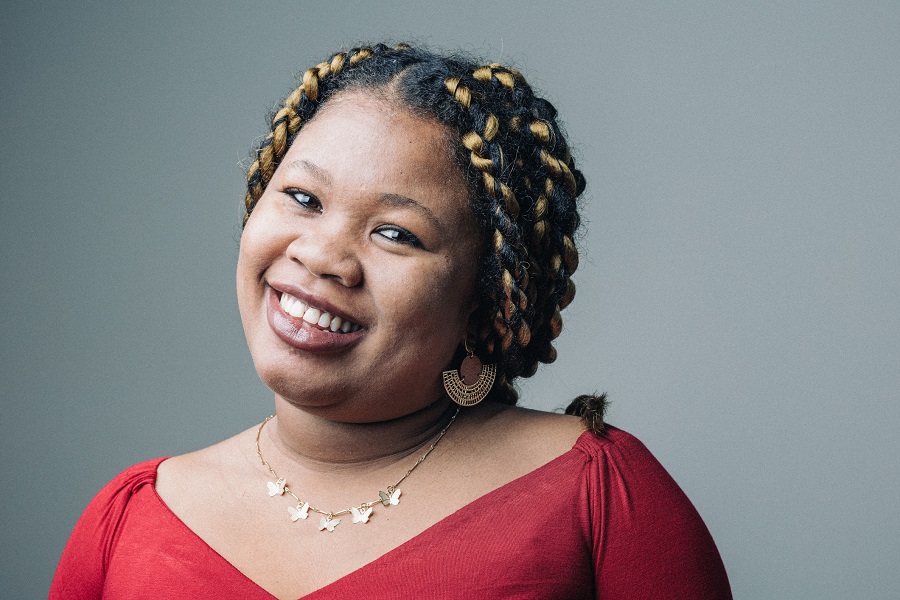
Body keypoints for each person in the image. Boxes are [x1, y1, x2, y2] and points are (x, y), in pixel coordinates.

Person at [50, 43, 732, 599]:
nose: (320, 256)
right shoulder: (131, 518)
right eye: (301, 196)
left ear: (484, 300)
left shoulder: (599, 496)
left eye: (396, 234)